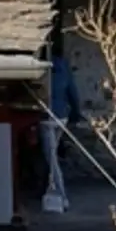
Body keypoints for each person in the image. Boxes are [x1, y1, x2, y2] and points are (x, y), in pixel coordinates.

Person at [41, 55, 85, 212]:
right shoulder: (64, 69)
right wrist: (76, 115)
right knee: (52, 155)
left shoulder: (43, 69)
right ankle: (50, 188)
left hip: (46, 118)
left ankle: (61, 195)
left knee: (51, 158)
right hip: (62, 117)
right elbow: (73, 93)